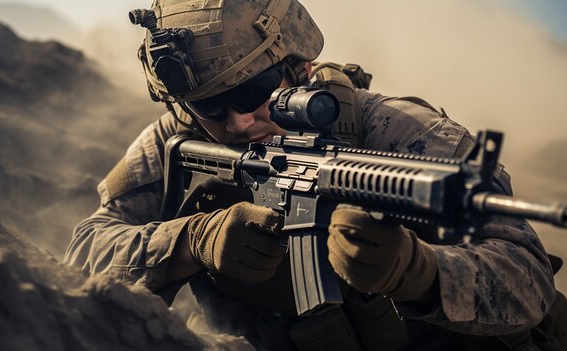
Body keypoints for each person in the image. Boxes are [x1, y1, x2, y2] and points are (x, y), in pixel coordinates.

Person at [64, 0, 565, 350]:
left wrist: (422, 273)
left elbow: (528, 286)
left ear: (298, 67)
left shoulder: (400, 132)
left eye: (252, 91)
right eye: (212, 105)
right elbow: (84, 251)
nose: (238, 122)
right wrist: (190, 240)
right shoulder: (176, 140)